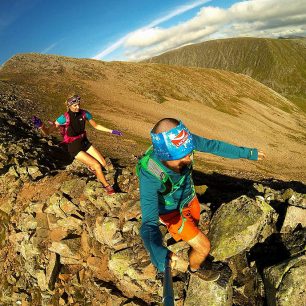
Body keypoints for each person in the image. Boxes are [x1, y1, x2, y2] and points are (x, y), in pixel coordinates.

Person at [137, 118, 265, 280]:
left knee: (195, 227)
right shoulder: (150, 174)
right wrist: (158, 253)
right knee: (204, 247)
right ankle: (195, 269)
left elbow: (213, 146)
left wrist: (247, 153)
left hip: (190, 198)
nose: (190, 158)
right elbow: (148, 224)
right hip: (172, 214)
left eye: (190, 153)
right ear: (165, 156)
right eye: (183, 156)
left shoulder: (184, 143)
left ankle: (190, 246)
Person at [32, 94, 123, 195]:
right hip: (74, 147)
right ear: (69, 106)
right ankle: (107, 187)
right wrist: (41, 126)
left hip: (84, 141)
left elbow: (96, 126)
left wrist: (112, 131)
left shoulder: (84, 114)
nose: (78, 107)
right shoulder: (64, 118)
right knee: (97, 165)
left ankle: (92, 168)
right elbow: (48, 132)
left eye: (78, 104)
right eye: (75, 105)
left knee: (103, 163)